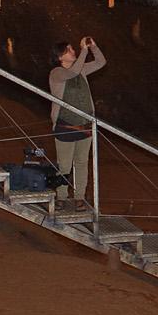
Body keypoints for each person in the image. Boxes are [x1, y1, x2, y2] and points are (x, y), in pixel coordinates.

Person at [48, 36, 106, 209]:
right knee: (64, 164)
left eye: (73, 49)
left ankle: (79, 196)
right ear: (60, 57)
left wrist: (93, 47)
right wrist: (84, 50)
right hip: (65, 124)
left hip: (85, 124)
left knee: (81, 162)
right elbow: (72, 73)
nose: (73, 51)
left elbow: (101, 62)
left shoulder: (81, 70)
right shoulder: (57, 73)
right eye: (69, 49)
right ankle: (62, 196)